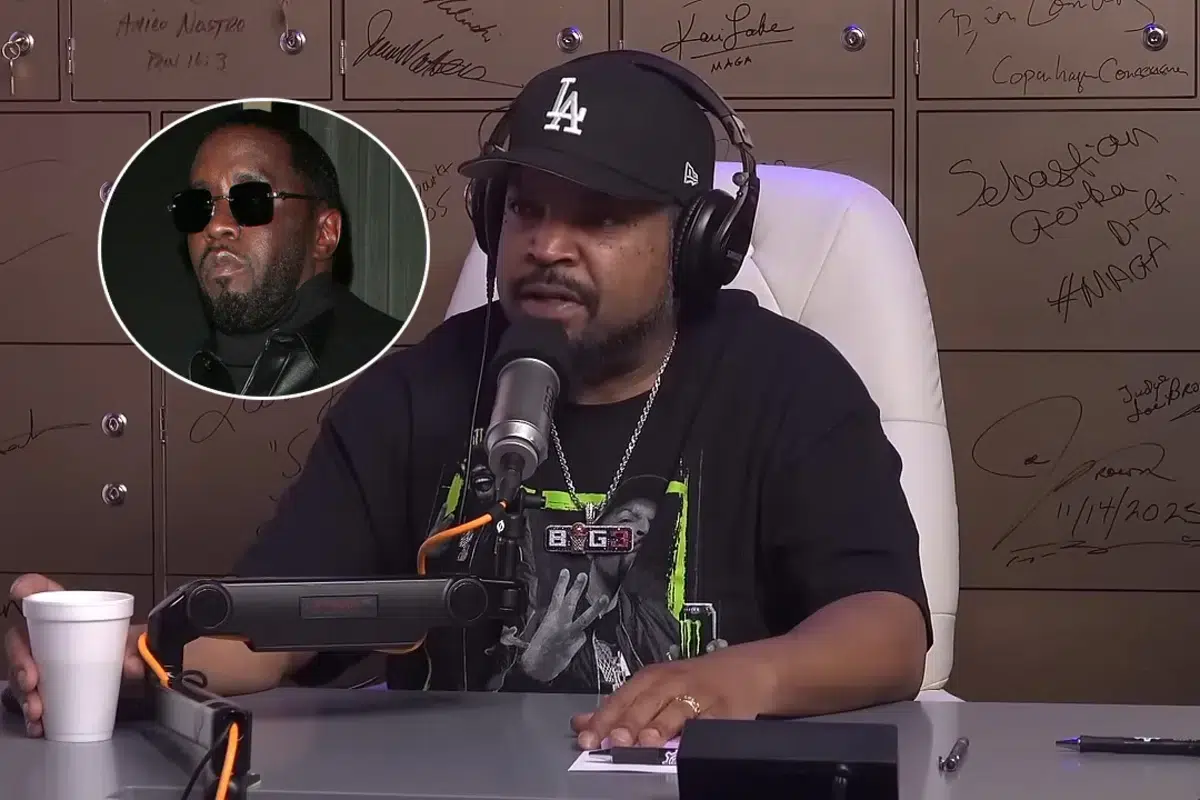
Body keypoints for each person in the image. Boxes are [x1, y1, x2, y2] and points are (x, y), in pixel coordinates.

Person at [6, 53, 931, 750]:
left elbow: (888, 632)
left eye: (601, 217)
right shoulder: (422, 390)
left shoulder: (786, 383)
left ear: (695, 243)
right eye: (526, 209)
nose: (547, 246)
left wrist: (737, 681)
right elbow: (266, 634)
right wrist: (120, 661)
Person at [171, 109, 404, 396]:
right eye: (197, 205)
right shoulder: (157, 377)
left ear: (324, 233)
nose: (216, 226)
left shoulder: (399, 369)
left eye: (251, 199)